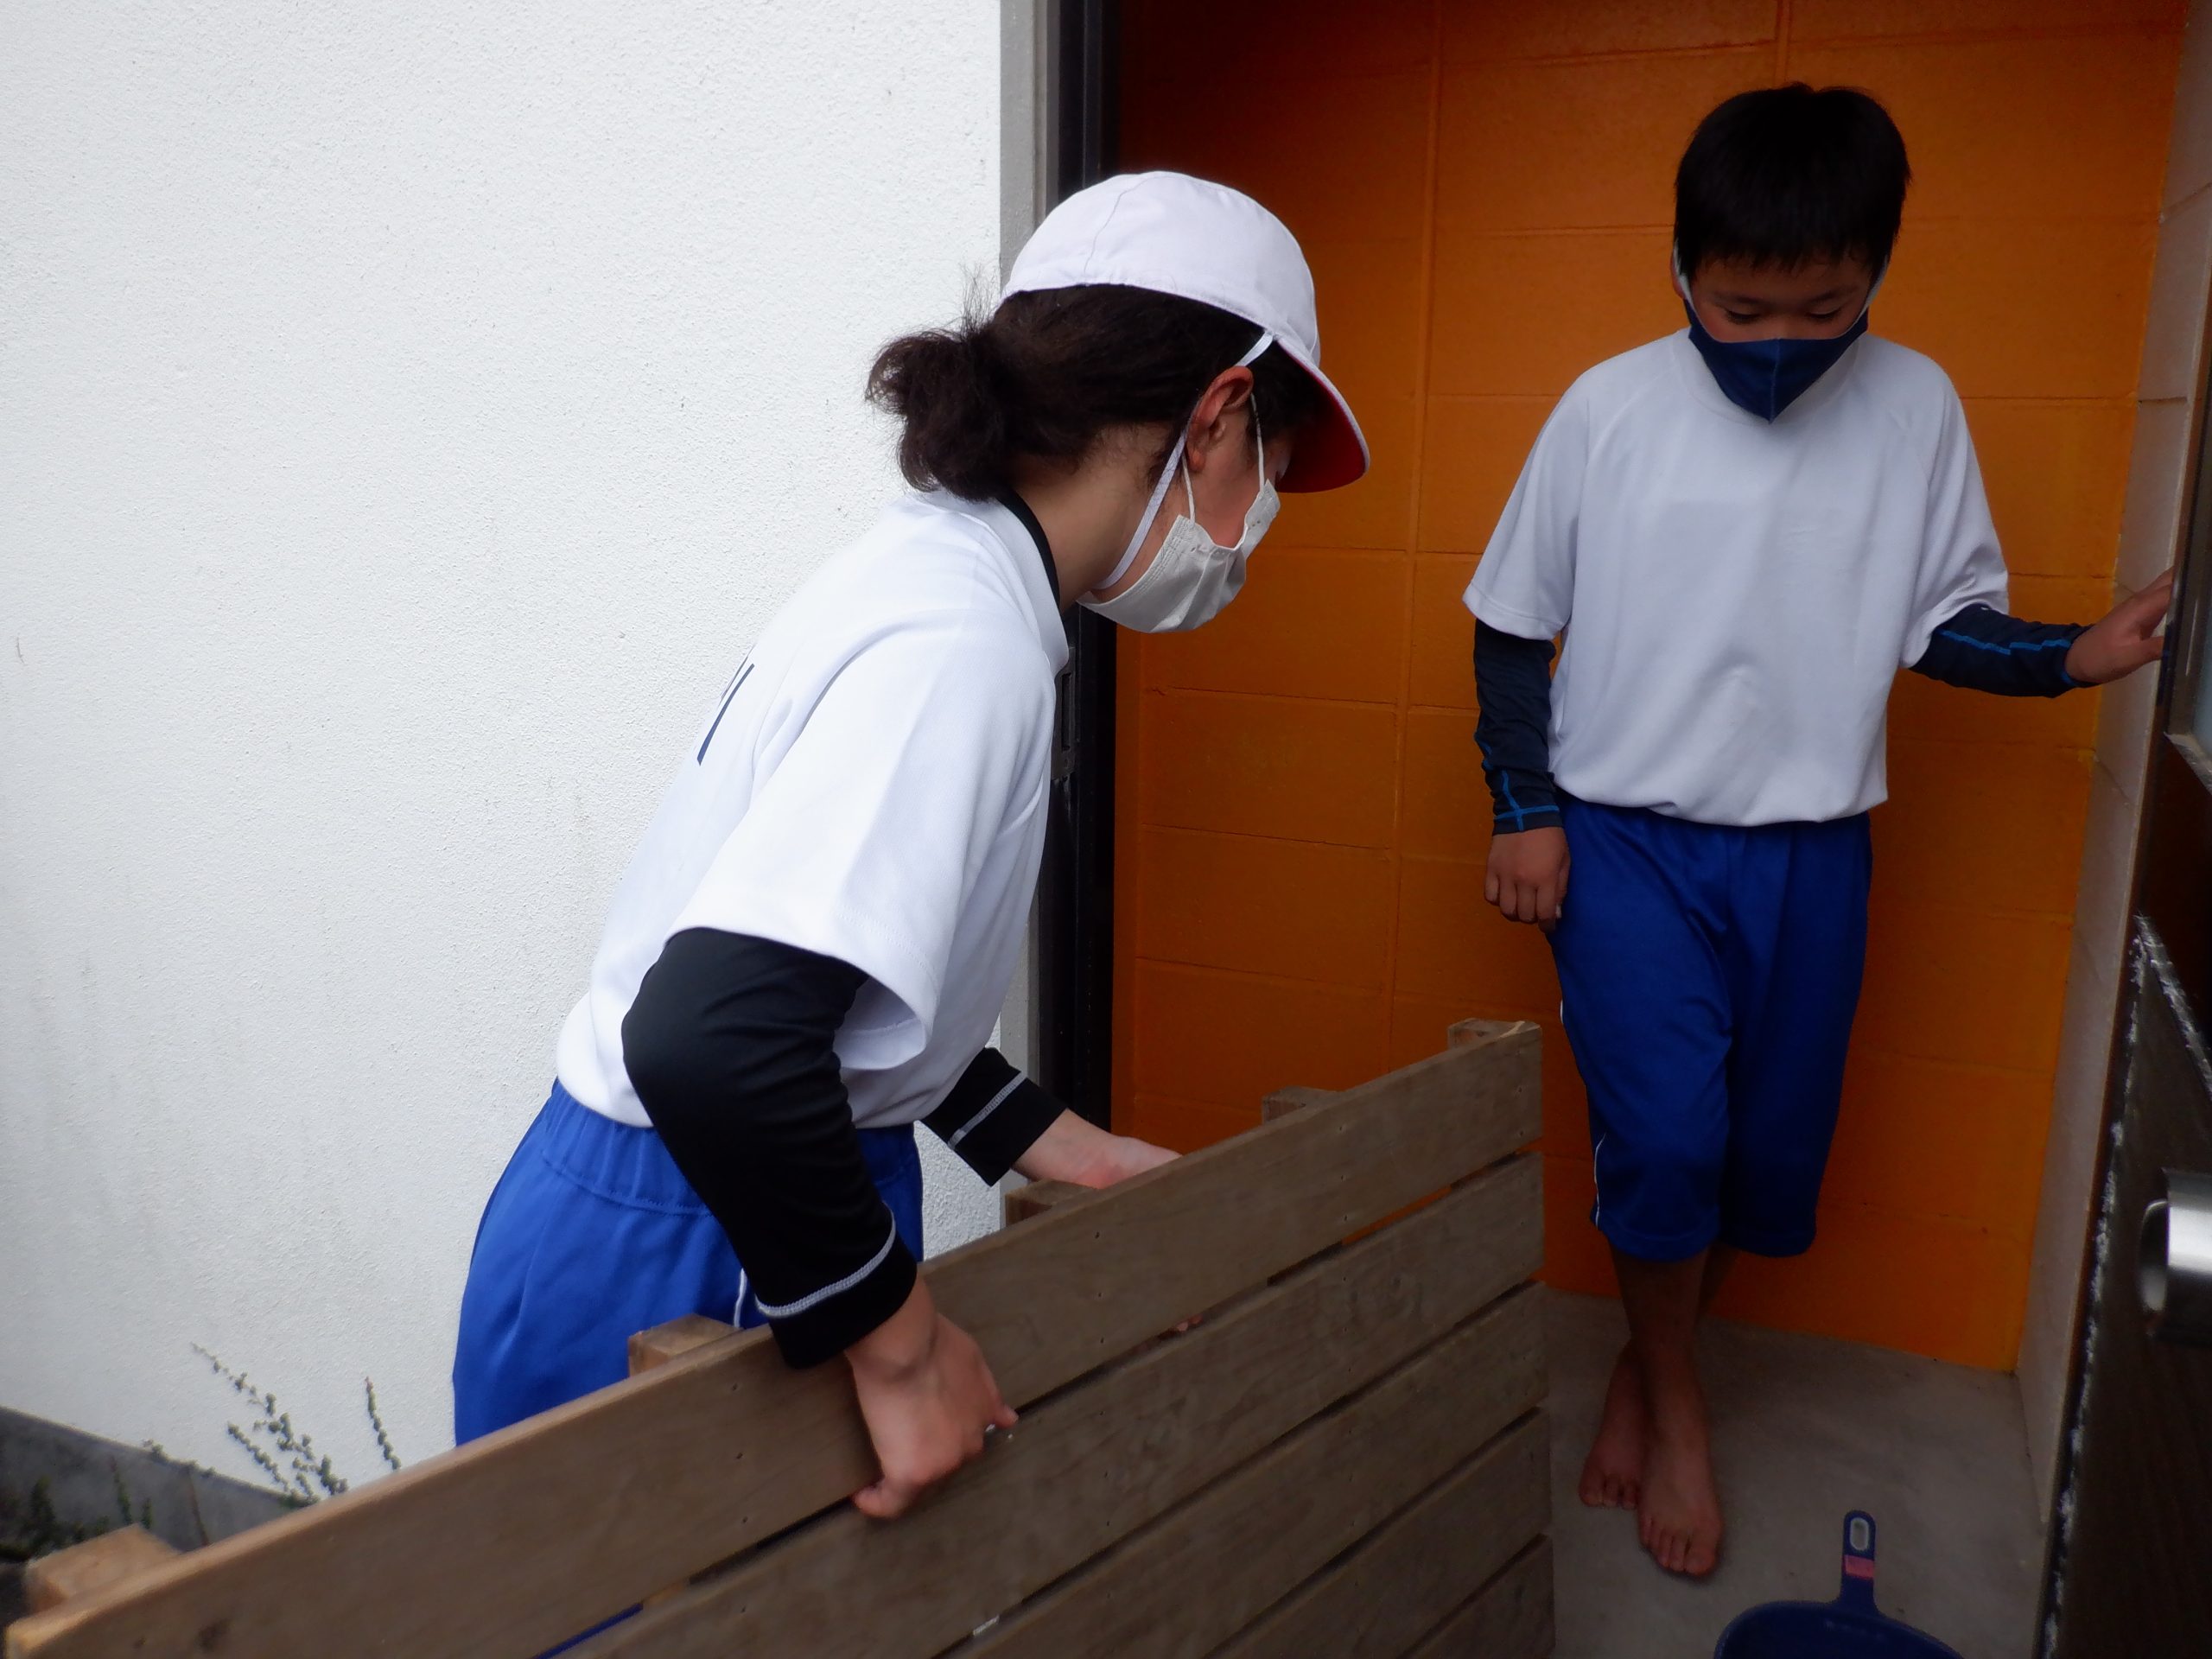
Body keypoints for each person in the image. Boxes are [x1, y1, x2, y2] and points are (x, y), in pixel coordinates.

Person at [452, 170, 1369, 1536]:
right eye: (1274, 468)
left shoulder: (937, 572)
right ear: (1220, 415)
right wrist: (903, 1349)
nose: (1261, 516)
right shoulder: (964, 642)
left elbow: (837, 993)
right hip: (692, 1236)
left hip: (666, 1200)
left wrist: (1063, 1147)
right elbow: (715, 1040)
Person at [1466, 86, 2171, 1580]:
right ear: (1681, 270)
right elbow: (1512, 627)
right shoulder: (1606, 409)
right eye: (1740, 308)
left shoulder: (1916, 407)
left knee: (1757, 1154)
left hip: (1813, 852)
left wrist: (2074, 655)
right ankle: (1680, 1406)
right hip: (1626, 842)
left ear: (1875, 277)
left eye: (1824, 307)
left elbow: (1939, 624)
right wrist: (1525, 812)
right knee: (1668, 1139)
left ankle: (1644, 1362)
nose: (1780, 338)